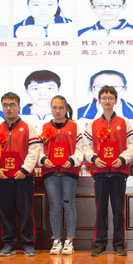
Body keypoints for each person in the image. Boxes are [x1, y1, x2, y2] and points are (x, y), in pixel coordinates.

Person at [82, 86, 133, 256]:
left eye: (110, 98)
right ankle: (100, 244)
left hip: (119, 172)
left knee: (118, 211)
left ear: (116, 101)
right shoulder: (92, 124)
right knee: (101, 211)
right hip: (100, 172)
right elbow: (86, 146)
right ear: (99, 101)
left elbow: (132, 145)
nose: (107, 101)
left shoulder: (125, 122)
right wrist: (94, 158)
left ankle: (119, 244)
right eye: (104, 98)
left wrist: (123, 159)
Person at [0, 92, 41, 257]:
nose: (8, 108)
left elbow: (34, 150)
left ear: (19, 107)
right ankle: (9, 243)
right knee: (6, 212)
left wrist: (24, 170)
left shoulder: (28, 127)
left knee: (26, 212)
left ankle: (28, 244)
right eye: (5, 105)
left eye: (12, 105)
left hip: (24, 178)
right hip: (2, 178)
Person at [40, 96, 83, 255]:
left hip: (69, 172)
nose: (57, 111)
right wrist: (43, 159)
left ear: (66, 109)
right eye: (54, 107)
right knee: (55, 206)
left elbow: (80, 148)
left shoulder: (74, 126)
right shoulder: (45, 127)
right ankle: (56, 240)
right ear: (51, 109)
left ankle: (69, 240)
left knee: (68, 204)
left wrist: (72, 160)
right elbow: (40, 149)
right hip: (50, 172)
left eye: (61, 108)